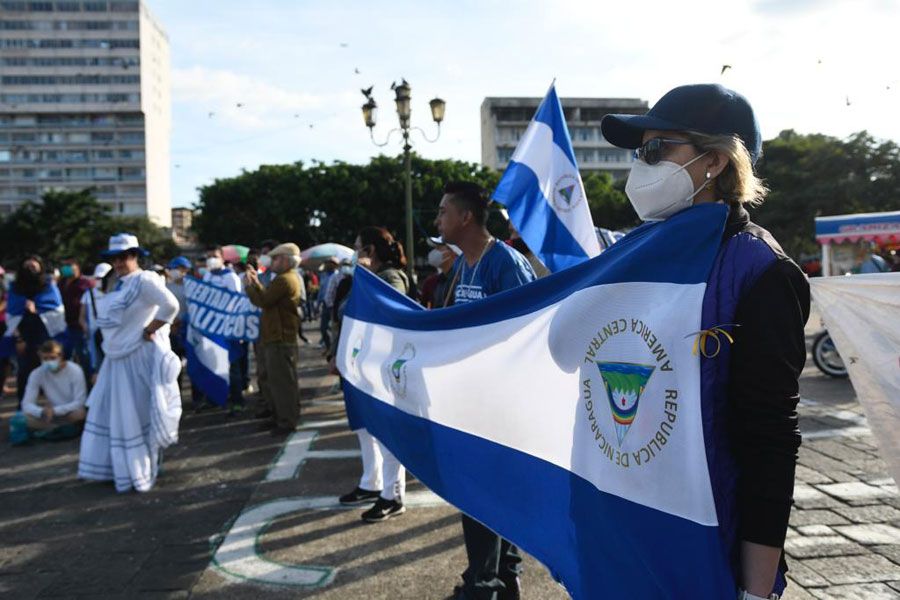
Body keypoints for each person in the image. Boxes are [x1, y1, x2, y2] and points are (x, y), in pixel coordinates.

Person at [600, 83, 810, 599]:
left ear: (714, 162)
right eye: (638, 152)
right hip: (627, 539)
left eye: (655, 150)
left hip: (703, 551)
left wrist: (755, 592)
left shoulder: (761, 271)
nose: (640, 167)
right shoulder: (635, 255)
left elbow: (770, 443)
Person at [435, 182, 536, 600]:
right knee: (489, 497)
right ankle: (504, 576)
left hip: (501, 408)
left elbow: (525, 332)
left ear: (466, 218)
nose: (437, 219)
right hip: (474, 402)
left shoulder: (504, 263)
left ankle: (484, 584)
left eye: (443, 212)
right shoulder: (464, 265)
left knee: (480, 496)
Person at [77, 233, 182, 493]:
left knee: (140, 411)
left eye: (124, 257)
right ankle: (121, 466)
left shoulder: (144, 279)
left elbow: (171, 305)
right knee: (120, 413)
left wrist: (150, 329)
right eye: (115, 258)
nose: (120, 262)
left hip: (138, 356)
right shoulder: (119, 284)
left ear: (135, 256)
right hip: (117, 358)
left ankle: (147, 464)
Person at [337, 226, 411, 524]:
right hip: (361, 364)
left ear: (370, 251)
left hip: (381, 366)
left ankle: (393, 496)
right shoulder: (370, 277)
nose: (355, 253)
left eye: (358, 247)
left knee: (386, 433)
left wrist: (364, 283)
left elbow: (388, 316)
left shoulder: (390, 277)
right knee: (366, 428)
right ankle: (372, 483)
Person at [244, 243, 303, 434]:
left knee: (282, 384)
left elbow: (264, 300)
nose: (273, 263)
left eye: (276, 258)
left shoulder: (284, 280)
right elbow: (268, 297)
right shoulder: (286, 278)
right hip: (277, 337)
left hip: (279, 339)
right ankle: (280, 416)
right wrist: (256, 283)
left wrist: (250, 286)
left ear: (285, 260)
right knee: (278, 382)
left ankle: (286, 421)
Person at [7, 256, 66, 407]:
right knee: (25, 372)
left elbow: (56, 309)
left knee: (50, 370)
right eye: (27, 267)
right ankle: (24, 406)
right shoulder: (15, 287)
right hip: (24, 337)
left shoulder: (48, 285)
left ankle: (57, 407)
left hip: (45, 336)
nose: (30, 270)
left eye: (33, 267)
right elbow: (12, 314)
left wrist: (37, 309)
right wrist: (19, 338)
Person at [203, 246, 246, 414]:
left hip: (228, 328)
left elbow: (237, 303)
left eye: (214, 256)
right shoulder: (207, 275)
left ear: (222, 258)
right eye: (208, 256)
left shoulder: (230, 277)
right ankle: (214, 398)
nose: (210, 259)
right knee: (213, 364)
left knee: (232, 366)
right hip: (211, 327)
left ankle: (237, 401)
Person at [21, 340, 86, 437]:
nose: (49, 361)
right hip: (49, 416)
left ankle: (54, 430)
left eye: (52, 358)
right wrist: (41, 411)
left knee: (80, 414)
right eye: (45, 358)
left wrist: (55, 410)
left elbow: (80, 402)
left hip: (69, 413)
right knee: (23, 418)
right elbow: (26, 404)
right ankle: (58, 429)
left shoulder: (75, 370)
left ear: (61, 356)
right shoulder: (36, 373)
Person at [79, 262, 114, 382]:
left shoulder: (117, 292)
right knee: (98, 366)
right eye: (98, 278)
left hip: (113, 335)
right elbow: (82, 316)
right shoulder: (88, 294)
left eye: (103, 278)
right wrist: (85, 327)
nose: (100, 280)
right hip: (95, 335)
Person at [420, 236, 461, 309]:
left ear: (453, 252)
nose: (434, 252)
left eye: (439, 248)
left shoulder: (461, 280)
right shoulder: (438, 280)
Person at [318, 258, 339, 349]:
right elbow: (321, 291)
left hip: (333, 306)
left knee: (334, 329)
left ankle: (333, 349)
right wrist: (318, 303)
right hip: (325, 305)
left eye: (330, 263)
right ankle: (328, 347)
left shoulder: (338, 275)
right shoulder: (323, 275)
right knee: (323, 328)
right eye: (327, 263)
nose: (328, 265)